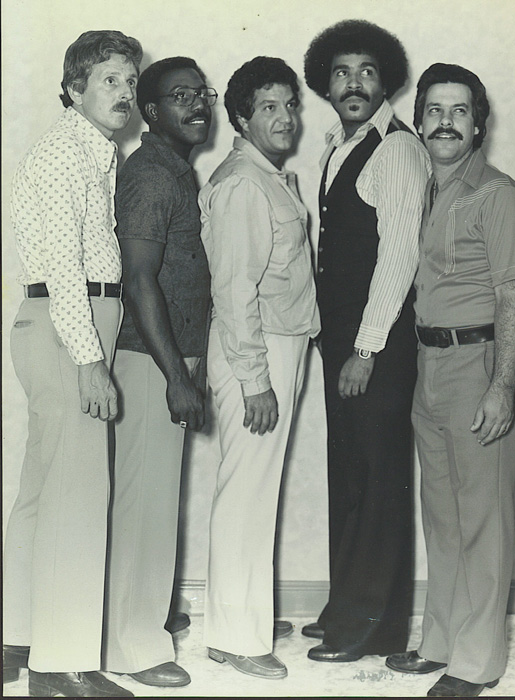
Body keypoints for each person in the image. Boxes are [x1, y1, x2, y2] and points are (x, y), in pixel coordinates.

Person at [385, 63, 515, 698]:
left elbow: (510, 297)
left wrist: (503, 386)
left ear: (479, 126)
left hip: (480, 364)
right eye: (435, 111)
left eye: (460, 111)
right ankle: (440, 642)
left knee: (482, 517)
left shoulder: (498, 195)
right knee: (443, 514)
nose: (446, 122)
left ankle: (478, 662)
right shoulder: (423, 190)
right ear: (420, 122)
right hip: (430, 364)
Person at [3, 30, 142, 698]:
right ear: (74, 88)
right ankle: (61, 665)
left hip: (58, 320)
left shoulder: (93, 150)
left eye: (131, 81)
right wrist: (90, 360)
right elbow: (64, 266)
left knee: (43, 488)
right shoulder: (66, 152)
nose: (125, 92)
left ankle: (18, 637)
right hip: (70, 322)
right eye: (110, 79)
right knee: (78, 495)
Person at [301, 20, 430, 662]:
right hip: (345, 343)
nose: (353, 84)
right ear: (326, 83)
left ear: (387, 82)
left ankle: (372, 626)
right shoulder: (338, 144)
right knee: (350, 471)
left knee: (378, 479)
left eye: (367, 72)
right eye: (341, 72)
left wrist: (366, 348)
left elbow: (399, 257)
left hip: (376, 345)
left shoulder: (398, 149)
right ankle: (346, 605)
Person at [199, 56, 320, 679]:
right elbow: (233, 289)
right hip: (257, 348)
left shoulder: (268, 178)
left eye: (290, 105)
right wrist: (255, 380)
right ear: (242, 119)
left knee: (252, 489)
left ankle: (240, 621)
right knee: (246, 491)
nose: (285, 117)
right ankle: (237, 638)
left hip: (277, 342)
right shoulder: (245, 184)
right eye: (268, 107)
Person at [102, 57, 215, 688]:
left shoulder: (175, 170)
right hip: (150, 362)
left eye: (202, 93)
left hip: (168, 359)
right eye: (181, 96)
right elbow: (138, 279)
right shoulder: (150, 175)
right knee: (144, 506)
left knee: (154, 502)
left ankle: (141, 620)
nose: (198, 105)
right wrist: (176, 375)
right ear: (151, 111)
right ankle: (133, 648)